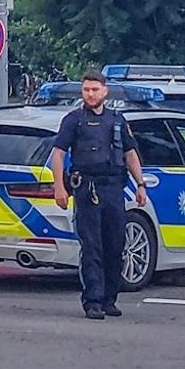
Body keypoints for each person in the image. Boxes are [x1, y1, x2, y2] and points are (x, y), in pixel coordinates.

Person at [49, 69, 151, 320]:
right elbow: (58, 154)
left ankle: (109, 299)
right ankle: (92, 301)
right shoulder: (74, 120)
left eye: (95, 89)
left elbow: (130, 154)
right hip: (87, 189)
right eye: (86, 89)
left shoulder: (117, 120)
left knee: (116, 244)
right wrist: (59, 187)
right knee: (92, 246)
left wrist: (140, 184)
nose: (91, 94)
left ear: (105, 91)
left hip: (114, 189)